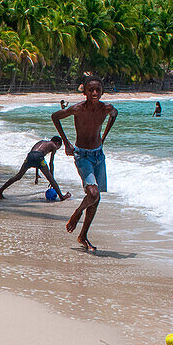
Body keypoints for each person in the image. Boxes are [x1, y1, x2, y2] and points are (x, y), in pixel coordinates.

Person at [51, 77, 118, 252]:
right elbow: (55, 117)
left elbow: (114, 115)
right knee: (93, 193)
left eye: (98, 90)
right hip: (82, 155)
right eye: (91, 90)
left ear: (102, 91)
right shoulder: (77, 109)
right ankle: (77, 212)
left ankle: (83, 236)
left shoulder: (106, 108)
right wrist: (66, 143)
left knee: (95, 199)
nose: (94, 93)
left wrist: (103, 137)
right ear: (84, 92)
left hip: (98, 155)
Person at [0, 137, 69, 201]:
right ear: (57, 143)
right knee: (51, 179)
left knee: (18, 176)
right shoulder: (53, 145)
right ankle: (62, 197)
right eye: (59, 146)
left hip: (30, 156)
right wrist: (51, 177)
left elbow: (35, 155)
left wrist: (36, 175)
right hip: (39, 157)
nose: (57, 148)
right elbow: (50, 163)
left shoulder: (41, 142)